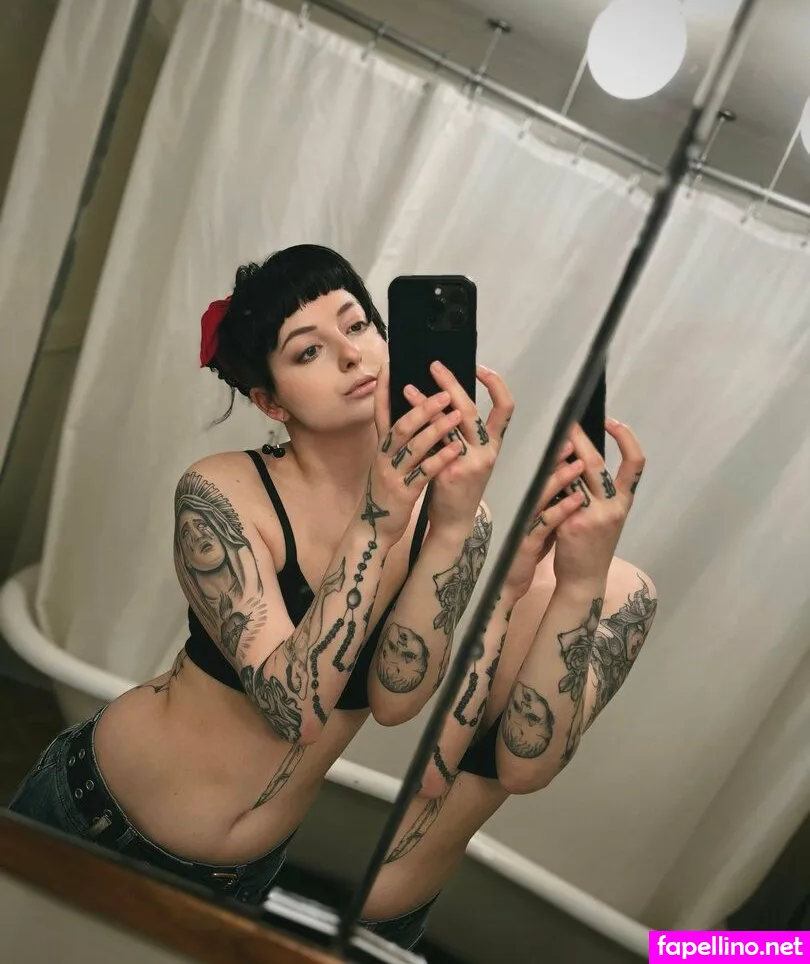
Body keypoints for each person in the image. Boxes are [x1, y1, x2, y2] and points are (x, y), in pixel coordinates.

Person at [7, 245, 513, 932]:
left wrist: (450, 528)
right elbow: (293, 710)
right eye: (309, 351)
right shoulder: (222, 493)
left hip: (243, 875)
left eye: (358, 325)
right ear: (270, 401)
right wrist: (376, 523)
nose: (351, 355)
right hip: (99, 815)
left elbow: (397, 699)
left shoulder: (456, 516)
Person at [359, 408, 658, 951]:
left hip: (385, 912)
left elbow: (491, 769)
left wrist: (563, 587)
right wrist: (504, 591)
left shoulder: (620, 591)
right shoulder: (456, 525)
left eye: (584, 461)